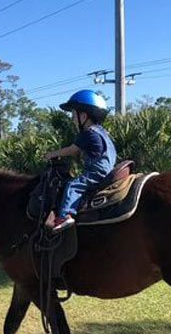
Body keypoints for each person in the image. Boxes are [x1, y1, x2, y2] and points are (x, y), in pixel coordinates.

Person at [44, 90, 117, 232]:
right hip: (107, 168)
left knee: (74, 185)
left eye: (73, 114)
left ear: (83, 116)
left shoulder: (89, 133)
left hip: (97, 170)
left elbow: (72, 150)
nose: (72, 119)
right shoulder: (102, 133)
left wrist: (52, 154)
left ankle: (65, 215)